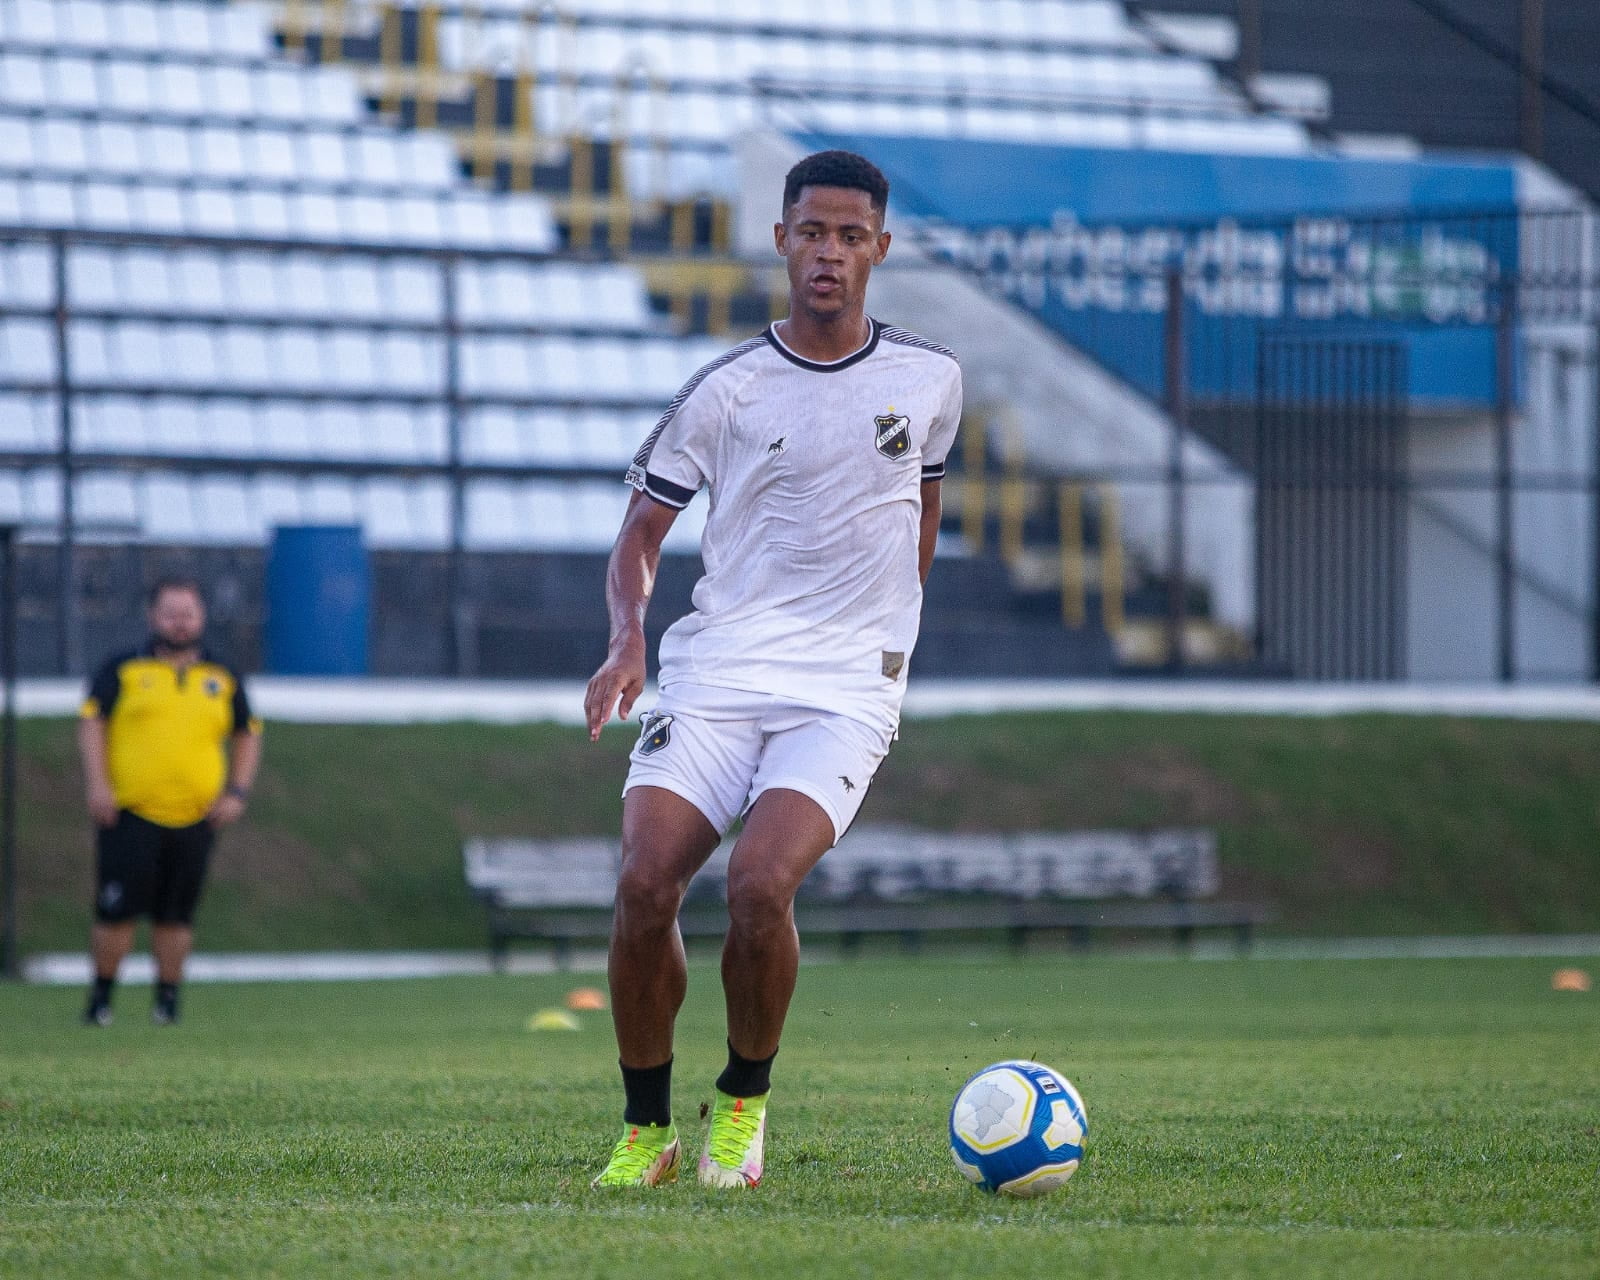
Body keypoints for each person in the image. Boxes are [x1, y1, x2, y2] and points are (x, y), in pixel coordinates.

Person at [583, 149, 962, 1188]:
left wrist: (881, 642)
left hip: (843, 686)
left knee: (757, 886)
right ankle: (647, 1129)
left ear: (879, 248)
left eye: (850, 236)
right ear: (782, 239)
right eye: (811, 232)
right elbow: (639, 536)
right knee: (643, 883)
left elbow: (917, 524)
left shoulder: (930, 380)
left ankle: (742, 1103)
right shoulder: (726, 390)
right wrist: (626, 640)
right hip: (716, 672)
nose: (829, 253)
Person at [79, 575, 263, 1026]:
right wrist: (98, 783)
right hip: (131, 813)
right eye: (170, 613)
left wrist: (236, 791)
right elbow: (91, 723)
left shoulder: (221, 675)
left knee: (176, 917)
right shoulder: (123, 668)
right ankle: (101, 1001)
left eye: (188, 614)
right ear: (152, 616)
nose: (180, 623)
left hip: (196, 817)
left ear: (201, 617)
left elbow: (248, 733)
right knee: (117, 912)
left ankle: (167, 1003)